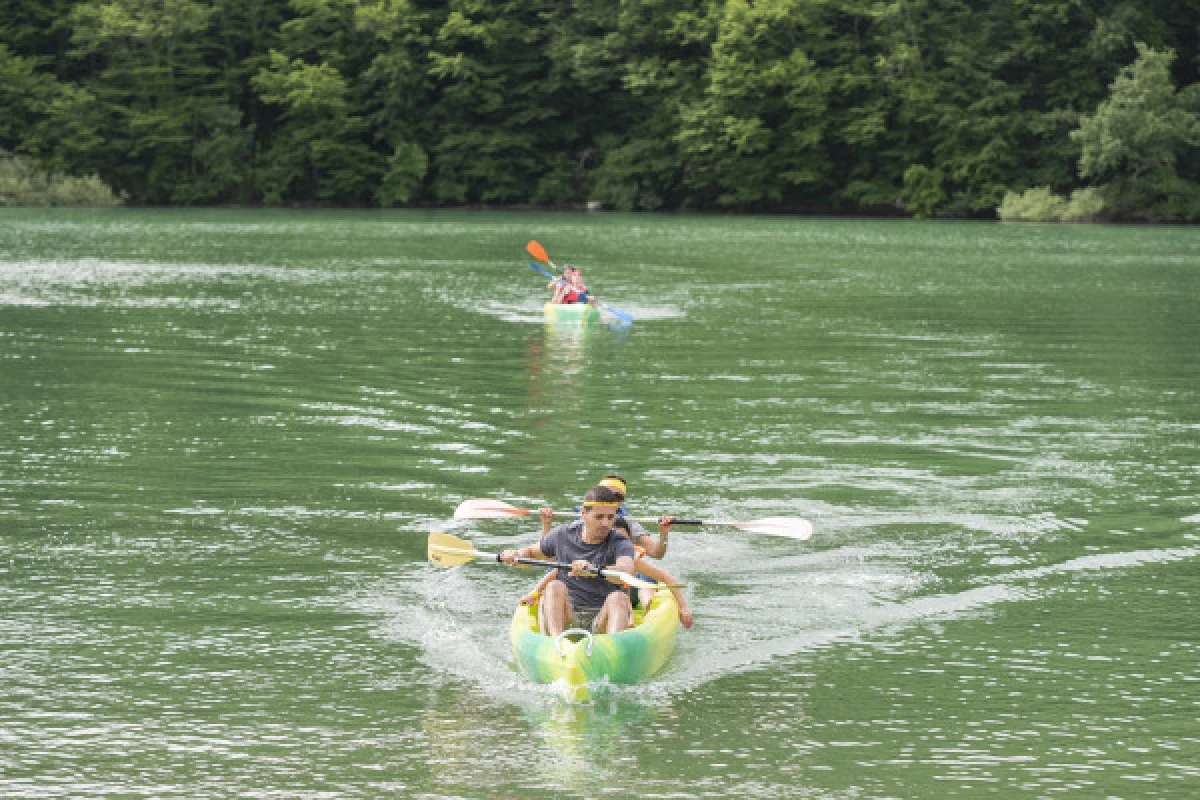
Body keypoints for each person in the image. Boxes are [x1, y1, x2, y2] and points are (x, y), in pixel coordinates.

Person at [500, 484, 636, 636]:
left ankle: (613, 649)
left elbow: (626, 570)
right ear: (583, 513)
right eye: (599, 517)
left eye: (610, 517)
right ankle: (557, 644)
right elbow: (531, 552)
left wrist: (594, 570)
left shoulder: (620, 542)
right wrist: (516, 554)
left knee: (618, 597)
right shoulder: (562, 534)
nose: (605, 523)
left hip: (602, 617)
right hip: (568, 613)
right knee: (554, 586)